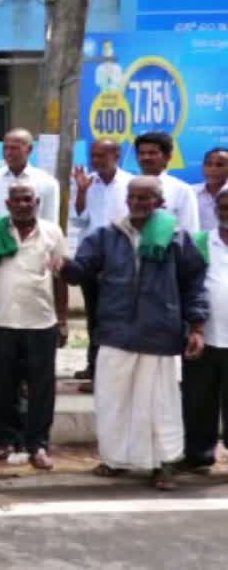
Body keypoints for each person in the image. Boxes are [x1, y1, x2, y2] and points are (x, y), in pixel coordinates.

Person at [61, 176, 208, 490]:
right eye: (133, 197)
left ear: (160, 203)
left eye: (146, 198)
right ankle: (117, 459)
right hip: (116, 331)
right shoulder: (105, 235)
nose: (138, 203)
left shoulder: (177, 238)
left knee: (160, 404)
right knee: (114, 401)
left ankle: (164, 464)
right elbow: (82, 270)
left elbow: (194, 284)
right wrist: (63, 267)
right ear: (126, 199)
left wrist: (196, 326)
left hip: (160, 333)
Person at [0, 183, 68, 470]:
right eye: (16, 200)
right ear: (7, 203)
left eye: (27, 199)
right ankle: (8, 441)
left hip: (41, 322)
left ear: (37, 202)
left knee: (42, 387)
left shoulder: (52, 232)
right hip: (2, 322)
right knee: (3, 386)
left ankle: (38, 444)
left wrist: (63, 320)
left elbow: (60, 278)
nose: (22, 204)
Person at [70, 139, 133, 385]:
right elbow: (79, 221)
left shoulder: (129, 183)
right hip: (92, 260)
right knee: (94, 314)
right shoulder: (87, 182)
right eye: (93, 156)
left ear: (116, 154)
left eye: (101, 155)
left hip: (121, 260)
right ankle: (94, 364)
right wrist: (82, 192)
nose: (96, 161)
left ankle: (117, 368)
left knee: (118, 314)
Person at [180, 187, 228, 474]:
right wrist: (192, 327)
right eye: (223, 207)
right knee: (199, 399)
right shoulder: (199, 242)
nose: (227, 212)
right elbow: (187, 286)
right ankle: (199, 455)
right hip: (204, 336)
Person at [0, 129, 61, 232]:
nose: (8, 153)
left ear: (29, 149)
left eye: (14, 148)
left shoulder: (47, 182)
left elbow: (51, 223)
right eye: (5, 148)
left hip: (34, 244)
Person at [134, 132, 199, 232]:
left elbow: (190, 230)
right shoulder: (126, 185)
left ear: (168, 156)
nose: (146, 157)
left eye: (152, 153)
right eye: (141, 153)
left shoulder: (181, 190)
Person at [195, 147, 228, 231]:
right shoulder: (191, 192)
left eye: (220, 165)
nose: (213, 169)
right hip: (197, 242)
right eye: (208, 164)